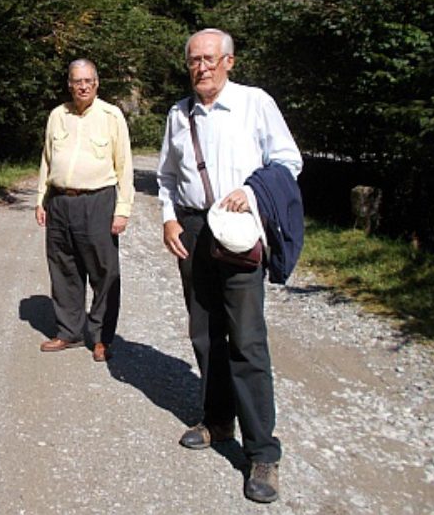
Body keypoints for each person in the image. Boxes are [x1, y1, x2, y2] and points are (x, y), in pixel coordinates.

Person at [157, 29, 303, 503]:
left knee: (246, 340)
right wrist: (168, 220)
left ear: (229, 62)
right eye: (194, 60)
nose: (202, 67)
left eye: (210, 59)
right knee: (204, 333)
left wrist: (254, 192)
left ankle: (262, 451)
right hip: (194, 229)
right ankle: (218, 421)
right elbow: (164, 177)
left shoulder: (255, 103)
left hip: (240, 231)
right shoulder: (178, 114)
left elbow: (288, 160)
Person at [35, 59, 134, 362]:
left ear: (96, 83)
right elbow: (47, 159)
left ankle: (101, 337)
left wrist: (122, 209)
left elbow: (124, 164)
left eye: (88, 81)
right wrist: (42, 198)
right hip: (60, 201)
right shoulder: (57, 115)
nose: (82, 86)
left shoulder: (111, 115)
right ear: (69, 83)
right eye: (77, 81)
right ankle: (69, 331)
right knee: (63, 268)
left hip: (98, 201)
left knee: (104, 271)